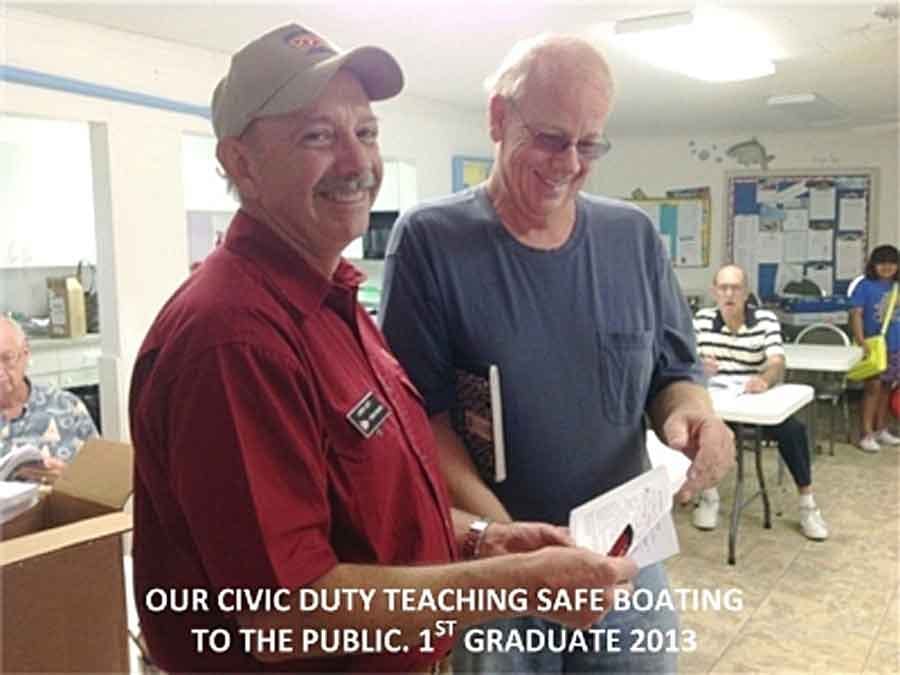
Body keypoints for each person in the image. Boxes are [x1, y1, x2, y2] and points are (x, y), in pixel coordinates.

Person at [130, 24, 637, 674]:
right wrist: (514, 582)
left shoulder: (333, 301)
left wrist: (488, 539)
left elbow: (374, 509)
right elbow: (285, 613)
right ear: (241, 163)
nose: (356, 162)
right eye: (318, 135)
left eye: (365, 132)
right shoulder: (234, 339)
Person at [380, 33, 735, 674]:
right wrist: (521, 556)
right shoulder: (432, 242)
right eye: (549, 137)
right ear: (497, 118)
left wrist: (694, 418)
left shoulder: (633, 238)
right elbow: (423, 425)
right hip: (499, 571)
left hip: (626, 561)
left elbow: (673, 372)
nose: (569, 162)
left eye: (589, 143)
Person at [692, 264, 829, 541]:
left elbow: (777, 362)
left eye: (736, 287)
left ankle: (807, 505)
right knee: (698, 427)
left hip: (755, 400)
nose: (729, 293)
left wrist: (765, 380)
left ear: (746, 292)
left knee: (793, 431)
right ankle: (708, 496)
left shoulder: (765, 320)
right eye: (723, 287)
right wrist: (697, 366)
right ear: (714, 291)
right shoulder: (702, 320)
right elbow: (684, 361)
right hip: (719, 401)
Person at [0, 316, 98, 482]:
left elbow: (101, 481)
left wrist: (67, 478)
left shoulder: (67, 406)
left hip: (58, 506)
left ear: (25, 354)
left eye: (7, 358)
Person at [850, 244, 900, 452]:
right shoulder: (865, 286)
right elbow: (856, 314)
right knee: (873, 389)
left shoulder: (897, 286)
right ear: (873, 265)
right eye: (882, 263)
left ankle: (881, 429)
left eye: (892, 263)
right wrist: (861, 341)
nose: (887, 267)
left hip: (896, 345)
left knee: (887, 388)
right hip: (873, 346)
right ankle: (866, 433)